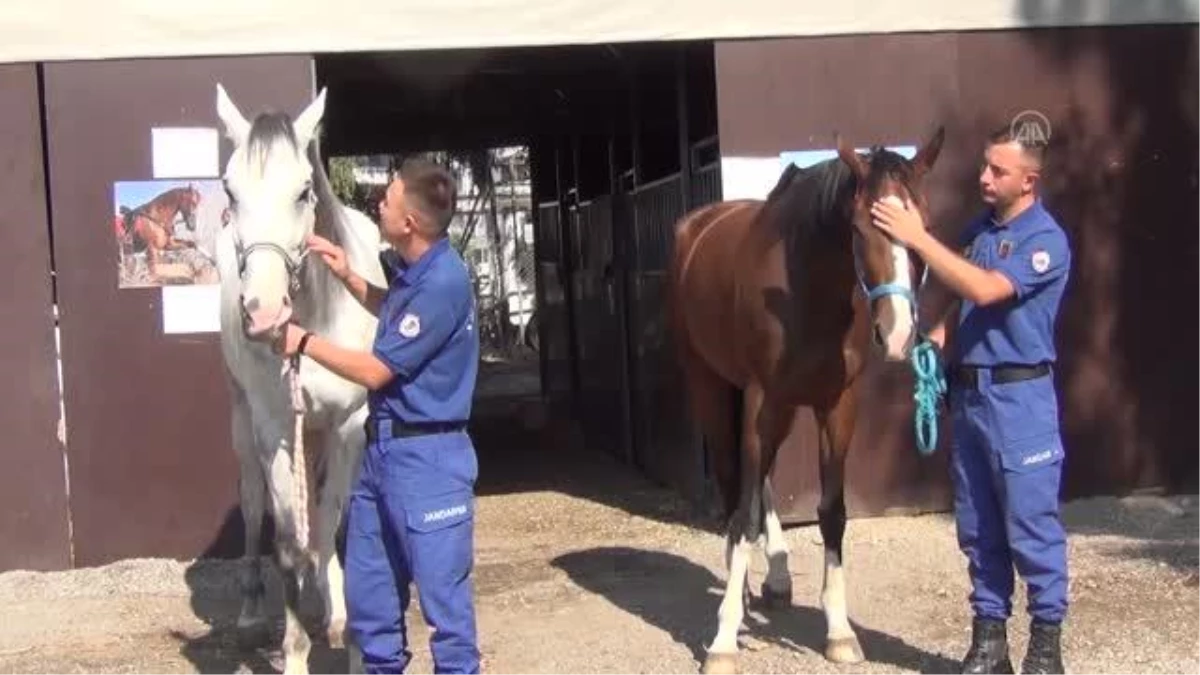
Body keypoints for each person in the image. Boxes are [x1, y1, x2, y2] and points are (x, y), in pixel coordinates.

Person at [869, 128, 1071, 675]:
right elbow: (964, 301)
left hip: (1020, 400)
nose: (984, 178)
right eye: (985, 167)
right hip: (972, 395)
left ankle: (1046, 650)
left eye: (997, 171)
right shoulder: (981, 230)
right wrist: (938, 336)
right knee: (978, 526)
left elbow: (985, 289)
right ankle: (990, 644)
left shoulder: (1045, 240)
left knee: (1031, 525)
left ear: (1029, 181)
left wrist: (916, 237)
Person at [273, 158, 481, 674]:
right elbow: (396, 312)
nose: (378, 205)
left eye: (386, 200)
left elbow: (375, 371)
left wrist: (304, 341)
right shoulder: (419, 274)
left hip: (428, 462)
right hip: (384, 455)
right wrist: (346, 273)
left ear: (408, 222)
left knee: (445, 618)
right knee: (371, 606)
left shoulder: (444, 284)